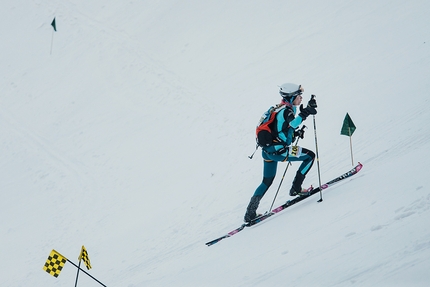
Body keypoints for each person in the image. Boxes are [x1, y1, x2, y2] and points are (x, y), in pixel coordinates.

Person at [244, 83, 317, 222]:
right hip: (281, 152)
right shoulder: (287, 111)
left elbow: (281, 129)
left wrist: (294, 134)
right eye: (298, 95)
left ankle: (249, 214)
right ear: (291, 97)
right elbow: (292, 123)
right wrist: (306, 112)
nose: (301, 98)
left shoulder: (278, 108)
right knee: (310, 156)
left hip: (267, 152)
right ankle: (296, 189)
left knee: (266, 181)